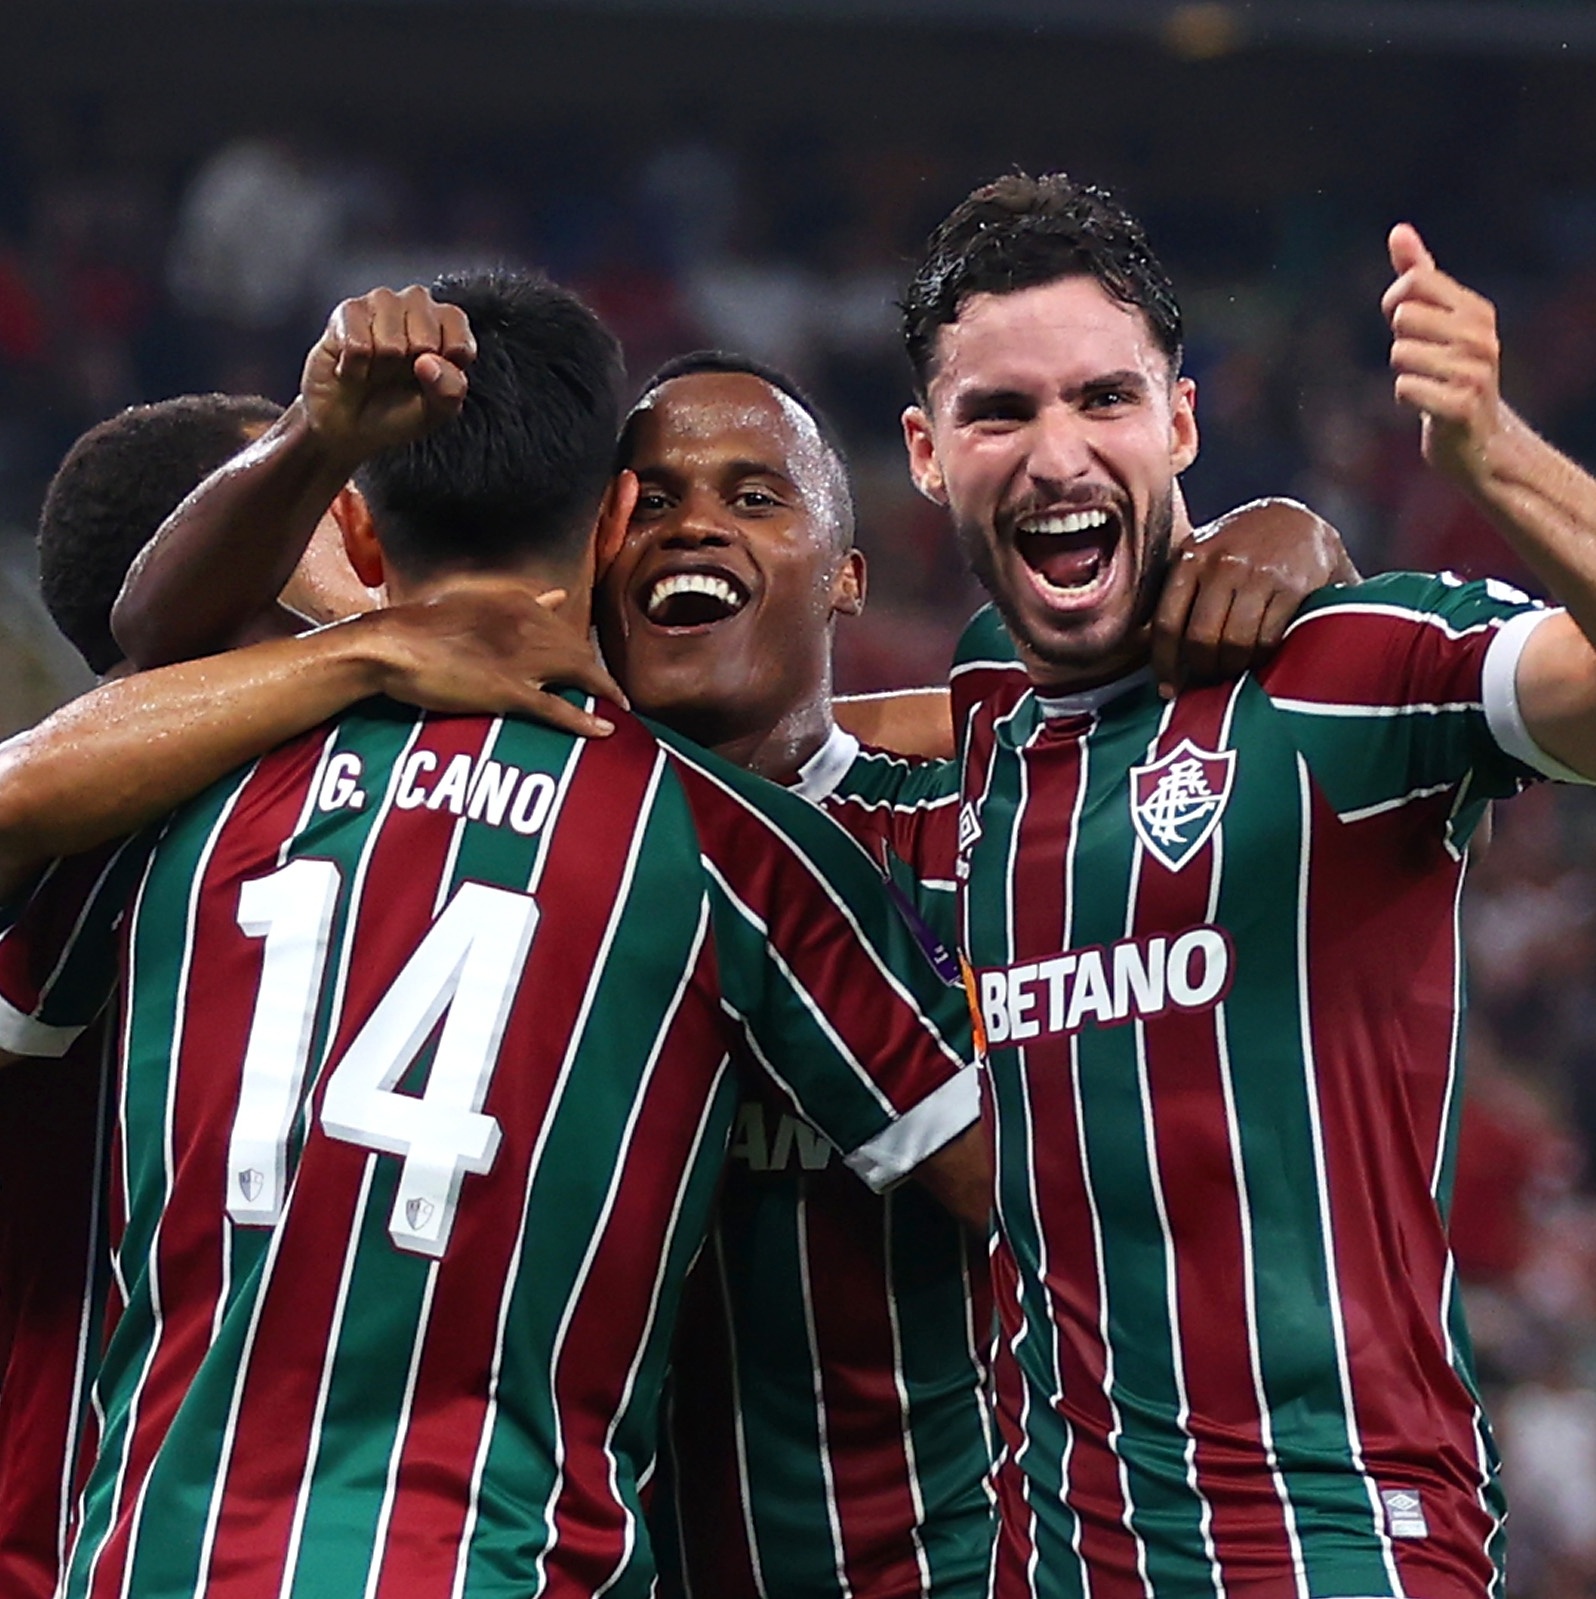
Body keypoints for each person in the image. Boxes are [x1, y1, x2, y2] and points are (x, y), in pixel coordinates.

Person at [110, 315, 1351, 1598]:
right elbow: (159, 632)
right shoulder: (509, 829)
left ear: (847, 575)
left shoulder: (976, 828)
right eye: (652, 501)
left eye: (755, 497)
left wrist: (1298, 540)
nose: (694, 526)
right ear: (598, 550)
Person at [0, 269, 986, 1599]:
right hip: (508, 1559)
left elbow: (121, 684)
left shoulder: (171, 793)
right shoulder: (726, 840)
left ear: (356, 515)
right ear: (615, 518)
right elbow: (1037, 1193)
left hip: (151, 1553)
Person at [898, 171, 1596, 1599]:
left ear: (1182, 423)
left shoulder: (1342, 672)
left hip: (1337, 1544)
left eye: (1105, 398)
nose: (1056, 452)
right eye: (999, 412)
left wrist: (1489, 454)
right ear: (923, 452)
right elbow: (784, 728)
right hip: (1054, 1563)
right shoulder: (985, 713)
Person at [0, 391, 622, 1599]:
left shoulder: (399, 802)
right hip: (95, 1536)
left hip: (351, 1535)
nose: (364, 518)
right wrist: (367, 646)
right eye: (309, 506)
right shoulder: (110, 837)